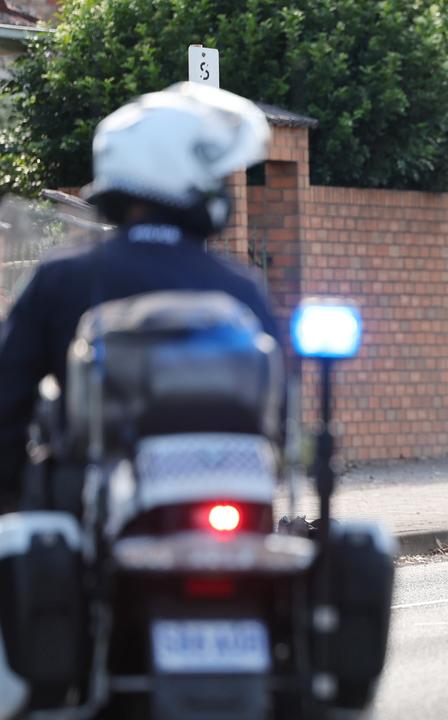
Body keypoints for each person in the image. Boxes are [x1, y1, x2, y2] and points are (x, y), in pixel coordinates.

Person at [0, 82, 278, 503]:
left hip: (90, 519)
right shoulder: (239, 286)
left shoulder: (61, 276)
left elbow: (7, 399)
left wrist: (18, 493)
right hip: (227, 505)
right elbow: (282, 411)